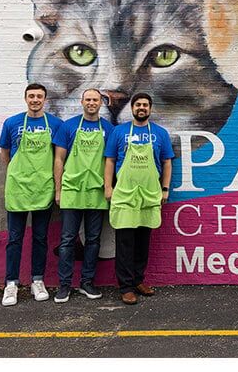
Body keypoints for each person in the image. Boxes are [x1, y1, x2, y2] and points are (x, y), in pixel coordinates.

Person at [104, 92, 174, 305]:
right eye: (138, 104)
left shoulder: (160, 133)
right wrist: (108, 187)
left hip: (149, 194)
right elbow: (109, 160)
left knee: (143, 241)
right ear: (132, 108)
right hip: (125, 194)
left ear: (150, 109)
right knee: (125, 242)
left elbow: (167, 163)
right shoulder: (119, 132)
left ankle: (138, 280)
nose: (141, 108)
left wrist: (165, 189)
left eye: (145, 105)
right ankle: (125, 287)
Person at [0, 83, 63, 306]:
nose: (35, 99)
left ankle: (38, 280)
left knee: (40, 238)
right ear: (25, 98)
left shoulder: (55, 124)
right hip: (17, 189)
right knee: (14, 238)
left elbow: (59, 157)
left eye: (39, 96)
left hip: (43, 188)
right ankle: (11, 284)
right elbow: (5, 154)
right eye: (31, 96)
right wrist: (17, 174)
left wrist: (56, 187)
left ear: (45, 99)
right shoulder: (12, 123)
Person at [52, 89, 115, 303]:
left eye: (95, 100)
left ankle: (87, 282)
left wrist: (109, 187)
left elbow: (111, 161)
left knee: (93, 240)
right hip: (72, 190)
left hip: (97, 192)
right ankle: (64, 284)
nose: (91, 103)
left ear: (101, 103)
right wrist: (59, 189)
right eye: (88, 99)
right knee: (68, 239)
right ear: (82, 102)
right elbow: (59, 160)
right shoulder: (68, 126)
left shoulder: (108, 128)